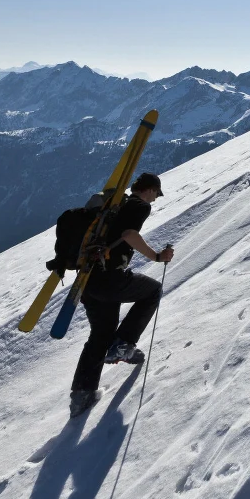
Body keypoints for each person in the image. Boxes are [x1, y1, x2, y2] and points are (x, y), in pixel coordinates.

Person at [69, 171, 175, 418]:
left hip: (89, 280)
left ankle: (80, 395)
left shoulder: (116, 205)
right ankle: (124, 345)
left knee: (100, 334)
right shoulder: (139, 205)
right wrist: (157, 257)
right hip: (110, 278)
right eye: (155, 195)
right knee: (152, 291)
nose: (155, 200)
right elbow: (129, 235)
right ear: (148, 190)